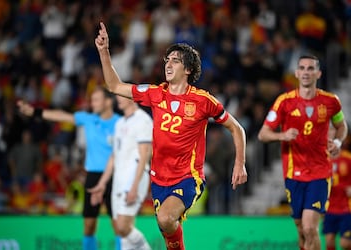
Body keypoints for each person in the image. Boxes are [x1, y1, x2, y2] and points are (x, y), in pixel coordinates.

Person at [95, 22, 248, 250]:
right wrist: (104, 51)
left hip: (188, 176)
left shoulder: (203, 101)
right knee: (166, 226)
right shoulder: (156, 93)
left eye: (175, 60)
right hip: (159, 179)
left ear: (187, 69)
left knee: (166, 218)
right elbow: (115, 85)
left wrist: (240, 163)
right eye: (167, 60)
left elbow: (237, 128)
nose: (168, 63)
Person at [258, 54, 348, 250]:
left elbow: (342, 126)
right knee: (301, 229)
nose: (306, 72)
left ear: (318, 73)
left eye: (311, 68)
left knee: (309, 228)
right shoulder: (284, 102)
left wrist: (339, 142)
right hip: (293, 173)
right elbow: (263, 134)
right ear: (297, 73)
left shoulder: (331, 101)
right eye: (303, 68)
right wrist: (282, 136)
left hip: (320, 172)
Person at [17, 87, 120, 250]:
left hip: (115, 177)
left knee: (119, 226)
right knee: (89, 226)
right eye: (92, 100)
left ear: (108, 102)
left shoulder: (120, 123)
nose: (92, 104)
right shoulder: (88, 119)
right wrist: (34, 112)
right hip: (93, 176)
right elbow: (61, 116)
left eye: (96, 100)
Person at [88, 95, 153, 250]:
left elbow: (145, 154)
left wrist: (134, 186)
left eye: (122, 96)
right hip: (118, 180)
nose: (118, 99)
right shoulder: (119, 123)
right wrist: (102, 184)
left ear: (132, 98)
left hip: (133, 178)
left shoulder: (142, 120)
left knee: (124, 226)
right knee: (121, 232)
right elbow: (114, 156)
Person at [322, 127, 351, 250]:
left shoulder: (348, 159)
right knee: (329, 241)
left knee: (345, 244)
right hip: (330, 208)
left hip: (347, 208)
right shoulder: (322, 159)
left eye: (333, 131)